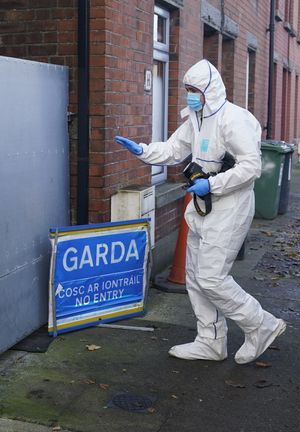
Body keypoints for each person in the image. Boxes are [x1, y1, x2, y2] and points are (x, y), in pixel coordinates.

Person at [114, 59, 286, 364]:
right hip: (203, 206)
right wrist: (143, 151)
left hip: (230, 207)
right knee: (194, 276)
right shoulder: (196, 117)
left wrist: (214, 185)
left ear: (211, 90)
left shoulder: (235, 120)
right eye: (188, 90)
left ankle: (261, 324)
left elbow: (251, 167)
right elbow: (174, 150)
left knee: (211, 278)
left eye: (195, 90)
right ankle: (211, 341)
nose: (190, 95)